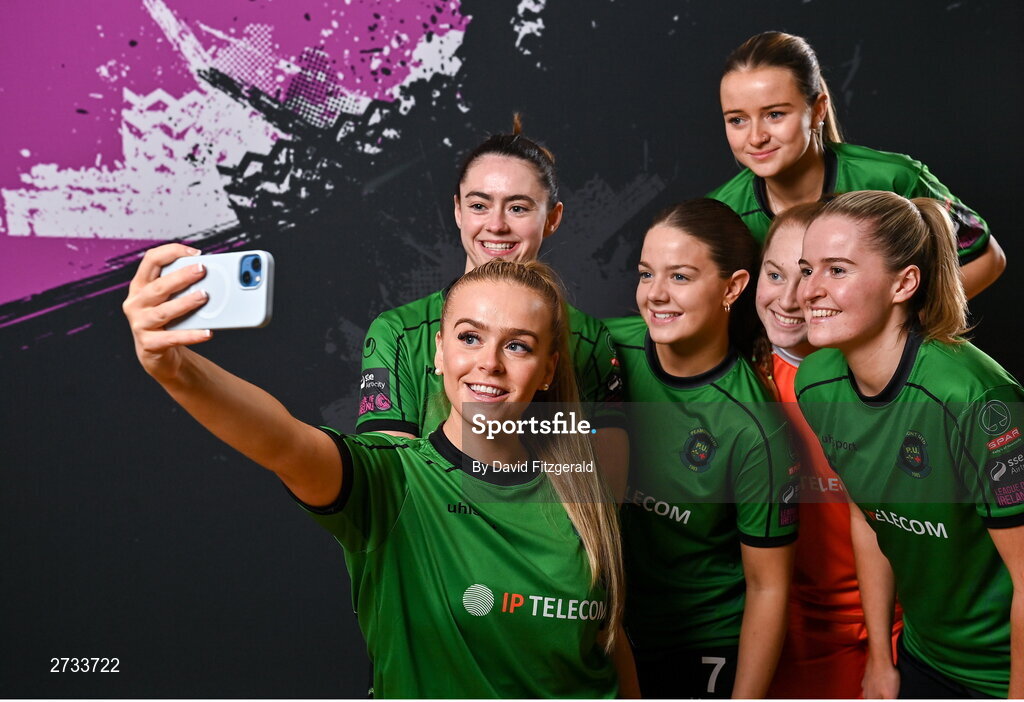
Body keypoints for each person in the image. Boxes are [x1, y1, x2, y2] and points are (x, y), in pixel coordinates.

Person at [122, 250, 639, 698]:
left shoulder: (579, 490)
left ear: (548, 369)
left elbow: (608, 649)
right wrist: (173, 368)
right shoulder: (390, 482)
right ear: (439, 352)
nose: (490, 363)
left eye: (518, 345)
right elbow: (282, 439)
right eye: (470, 337)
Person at [795, 190, 1024, 698]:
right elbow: (868, 518)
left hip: (1002, 671)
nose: (808, 289)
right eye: (807, 269)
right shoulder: (815, 382)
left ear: (904, 283)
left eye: (837, 270)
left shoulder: (973, 397)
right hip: (923, 656)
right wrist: (882, 657)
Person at [356, 118, 628, 497]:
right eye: (480, 205)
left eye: (518, 208)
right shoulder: (398, 332)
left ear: (552, 218)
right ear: (458, 211)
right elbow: (387, 484)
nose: (496, 225)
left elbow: (603, 496)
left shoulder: (591, 339)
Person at [605, 198, 797, 698]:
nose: (656, 295)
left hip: (703, 646)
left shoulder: (756, 426)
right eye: (647, 274)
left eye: (681, 277)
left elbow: (768, 586)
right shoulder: (604, 349)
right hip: (605, 630)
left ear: (732, 287)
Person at [708, 30, 1005, 300]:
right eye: (737, 120)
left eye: (774, 115)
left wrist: (894, 331)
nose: (756, 137)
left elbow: (988, 259)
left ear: (817, 110)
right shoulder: (721, 212)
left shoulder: (892, 179)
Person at [754, 203, 901, 699]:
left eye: (814, 274)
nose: (793, 298)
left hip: (880, 632)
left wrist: (882, 655)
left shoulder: (878, 383)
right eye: (775, 274)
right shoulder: (747, 381)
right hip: (777, 630)